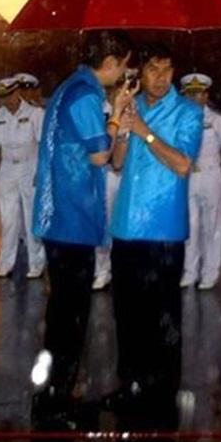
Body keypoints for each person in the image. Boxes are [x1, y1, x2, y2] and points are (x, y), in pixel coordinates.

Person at [30, 29, 134, 418]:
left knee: (62, 312)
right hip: (71, 216)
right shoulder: (86, 95)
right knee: (70, 315)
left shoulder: (70, 87)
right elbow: (99, 155)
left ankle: (52, 392)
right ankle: (57, 398)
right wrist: (117, 115)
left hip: (63, 215)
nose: (124, 74)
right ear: (110, 62)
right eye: (124, 66)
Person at [109, 43, 202, 409]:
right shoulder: (132, 107)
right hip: (127, 225)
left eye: (167, 70)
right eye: (153, 70)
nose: (161, 78)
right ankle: (129, 385)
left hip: (163, 228)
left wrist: (144, 131)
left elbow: (182, 164)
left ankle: (162, 394)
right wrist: (121, 126)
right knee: (127, 314)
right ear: (140, 73)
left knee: (163, 317)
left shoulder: (188, 112)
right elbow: (117, 162)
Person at [0, 76, 46, 279]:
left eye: (9, 95)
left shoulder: (35, 114)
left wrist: (42, 172)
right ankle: (5, 264)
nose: (6, 100)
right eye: (2, 97)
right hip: (7, 169)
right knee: (8, 219)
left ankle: (36, 263)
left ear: (17, 92)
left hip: (30, 167)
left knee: (30, 217)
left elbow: (43, 145)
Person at [180, 72, 221, 289]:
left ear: (206, 95)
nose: (194, 98)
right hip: (187, 175)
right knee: (190, 225)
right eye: (190, 94)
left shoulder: (218, 120)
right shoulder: (179, 119)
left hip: (211, 173)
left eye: (198, 93)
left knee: (212, 224)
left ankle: (210, 271)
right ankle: (190, 271)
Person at [92, 89, 124, 292]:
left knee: (126, 226)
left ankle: (123, 270)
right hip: (105, 173)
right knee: (102, 223)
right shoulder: (98, 111)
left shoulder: (135, 110)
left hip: (129, 175)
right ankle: (102, 271)